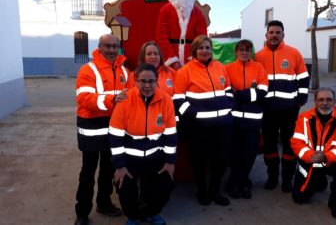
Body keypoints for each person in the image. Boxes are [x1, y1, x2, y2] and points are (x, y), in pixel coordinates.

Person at [74, 34, 132, 225]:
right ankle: (82, 213)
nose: (112, 50)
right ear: (99, 48)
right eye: (107, 46)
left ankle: (104, 203)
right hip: (92, 128)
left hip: (114, 127)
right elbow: (84, 99)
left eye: (115, 46)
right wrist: (112, 101)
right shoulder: (87, 70)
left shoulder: (125, 71)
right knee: (88, 172)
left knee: (108, 170)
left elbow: (132, 95)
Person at [109, 63, 177, 225]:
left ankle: (151, 213)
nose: (147, 85)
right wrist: (120, 166)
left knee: (165, 184)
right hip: (130, 159)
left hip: (156, 157)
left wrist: (169, 162)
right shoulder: (125, 101)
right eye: (143, 81)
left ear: (157, 81)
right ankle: (133, 216)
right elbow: (115, 135)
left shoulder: (166, 100)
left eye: (151, 81)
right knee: (125, 187)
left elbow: (171, 134)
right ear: (135, 81)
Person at [173, 35, 234, 206]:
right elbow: (178, 100)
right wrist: (194, 116)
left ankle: (215, 191)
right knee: (199, 161)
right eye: (201, 48)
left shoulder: (221, 67)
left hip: (223, 125)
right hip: (198, 128)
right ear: (194, 51)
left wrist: (230, 106)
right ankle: (203, 191)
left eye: (207, 47)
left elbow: (228, 90)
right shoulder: (185, 71)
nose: (205, 51)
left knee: (221, 160)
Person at [255, 20, 310, 192]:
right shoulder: (258, 56)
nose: (274, 35)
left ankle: (287, 179)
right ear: (266, 35)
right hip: (268, 111)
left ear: (283, 35)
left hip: (289, 110)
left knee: (289, 146)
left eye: (278, 32)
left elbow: (303, 79)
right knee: (270, 146)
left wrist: (300, 100)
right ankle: (272, 177)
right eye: (271, 32)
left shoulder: (294, 53)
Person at [290, 87, 336, 220]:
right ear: (315, 101)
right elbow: (296, 142)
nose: (324, 103)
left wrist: (327, 157)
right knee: (298, 198)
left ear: (334, 102)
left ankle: (335, 201)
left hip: (333, 162)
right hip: (312, 160)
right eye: (321, 99)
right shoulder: (304, 118)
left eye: (329, 100)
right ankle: (319, 180)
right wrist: (310, 156)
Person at [224, 39, 268, 199]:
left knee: (249, 155)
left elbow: (263, 92)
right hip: (234, 122)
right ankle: (237, 184)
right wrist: (249, 94)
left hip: (252, 122)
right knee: (235, 155)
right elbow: (226, 91)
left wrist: (239, 94)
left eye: (248, 49)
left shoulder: (259, 68)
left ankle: (241, 183)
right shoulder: (227, 69)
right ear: (236, 52)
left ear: (251, 52)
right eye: (241, 49)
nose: (244, 52)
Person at [156, 0, 207, 70]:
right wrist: (172, 60)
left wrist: (194, 58)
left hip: (191, 59)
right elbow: (161, 37)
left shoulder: (198, 13)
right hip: (171, 57)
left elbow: (202, 39)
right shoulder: (165, 10)